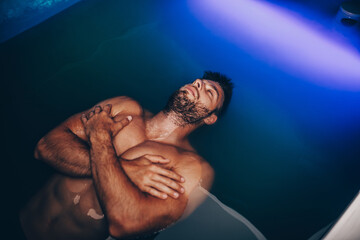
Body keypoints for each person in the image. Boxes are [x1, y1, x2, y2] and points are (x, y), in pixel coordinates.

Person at [20, 71, 234, 240]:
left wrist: (100, 135)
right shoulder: (124, 108)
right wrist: (126, 168)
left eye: (210, 91)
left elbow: (125, 223)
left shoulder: (193, 167)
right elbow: (45, 147)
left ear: (210, 118)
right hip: (19, 220)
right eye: (199, 81)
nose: (198, 82)